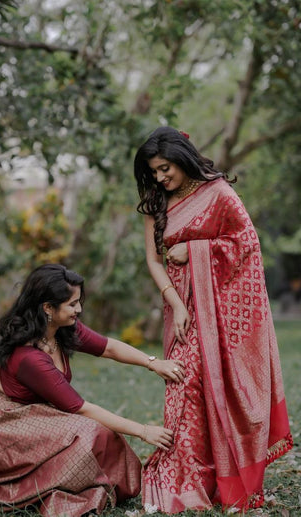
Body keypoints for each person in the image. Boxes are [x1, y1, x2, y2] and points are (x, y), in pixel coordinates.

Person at [0, 263, 185, 517]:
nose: (78, 310)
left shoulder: (61, 329)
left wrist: (153, 363)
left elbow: (108, 347)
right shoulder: (30, 357)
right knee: (90, 434)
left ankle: (103, 481)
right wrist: (143, 431)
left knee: (97, 434)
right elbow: (82, 408)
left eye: (79, 302)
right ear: (48, 308)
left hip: (37, 412)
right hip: (5, 426)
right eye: (72, 304)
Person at [133, 126, 293, 513]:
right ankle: (188, 480)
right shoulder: (156, 203)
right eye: (154, 171)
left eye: (165, 168)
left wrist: (195, 250)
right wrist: (177, 301)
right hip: (182, 310)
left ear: (183, 157)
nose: (160, 178)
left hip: (221, 312)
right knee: (184, 385)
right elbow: (154, 260)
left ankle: (225, 480)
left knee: (218, 389)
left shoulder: (220, 194)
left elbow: (246, 243)